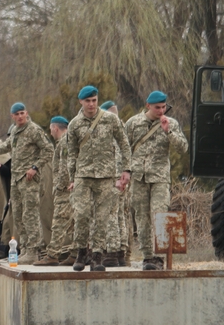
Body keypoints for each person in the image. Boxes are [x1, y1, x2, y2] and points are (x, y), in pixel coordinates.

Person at [66, 86, 132, 272]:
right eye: (88, 101)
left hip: (106, 176)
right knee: (81, 215)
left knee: (102, 218)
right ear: (81, 102)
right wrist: (72, 178)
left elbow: (124, 143)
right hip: (83, 176)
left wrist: (126, 169)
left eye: (94, 100)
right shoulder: (75, 124)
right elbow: (71, 153)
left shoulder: (110, 119)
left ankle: (97, 256)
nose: (92, 104)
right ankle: (81, 252)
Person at [125, 90, 188, 270]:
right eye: (157, 108)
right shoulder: (133, 123)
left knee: (159, 215)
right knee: (142, 217)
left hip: (159, 177)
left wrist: (168, 132)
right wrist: (124, 172)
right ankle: (148, 256)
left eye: (163, 107)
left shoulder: (171, 123)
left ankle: (159, 255)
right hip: (138, 177)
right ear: (148, 106)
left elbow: (183, 148)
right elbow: (123, 148)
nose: (161, 111)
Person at [0, 102, 54, 264]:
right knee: (18, 215)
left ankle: (35, 249)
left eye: (22, 113)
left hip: (30, 179)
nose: (20, 117)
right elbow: (8, 145)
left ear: (26, 113)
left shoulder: (33, 130)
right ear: (12, 116)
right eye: (17, 114)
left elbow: (48, 150)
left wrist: (35, 167)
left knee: (30, 214)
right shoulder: (15, 131)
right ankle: (26, 248)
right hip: (16, 179)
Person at [35, 116, 75, 266]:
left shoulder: (64, 142)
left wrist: (60, 186)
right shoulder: (68, 141)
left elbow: (65, 166)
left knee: (58, 221)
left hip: (65, 189)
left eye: (51, 129)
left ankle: (52, 255)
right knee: (72, 224)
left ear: (55, 128)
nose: (51, 133)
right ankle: (75, 253)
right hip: (70, 188)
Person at [102, 100, 130, 267]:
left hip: (114, 178)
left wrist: (116, 179)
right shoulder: (123, 128)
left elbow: (115, 156)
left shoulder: (112, 129)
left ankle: (111, 253)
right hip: (122, 178)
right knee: (120, 215)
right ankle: (121, 253)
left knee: (111, 215)